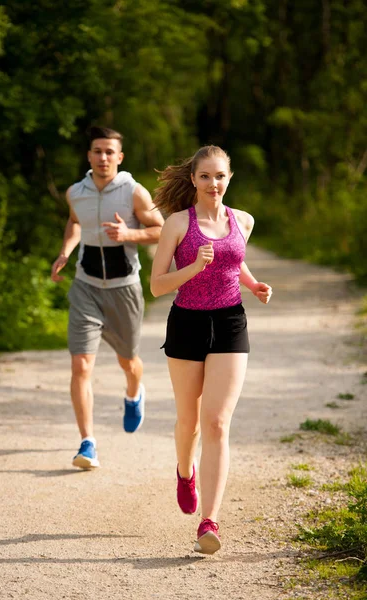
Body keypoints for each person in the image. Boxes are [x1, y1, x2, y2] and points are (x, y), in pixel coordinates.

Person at [150, 145, 272, 554]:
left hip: (230, 323)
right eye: (205, 176)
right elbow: (157, 285)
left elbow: (233, 261)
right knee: (190, 421)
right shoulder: (176, 224)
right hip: (186, 323)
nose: (213, 183)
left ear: (229, 178)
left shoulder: (243, 221)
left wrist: (253, 284)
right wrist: (193, 268)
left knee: (217, 422)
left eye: (220, 176)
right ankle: (186, 472)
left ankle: (210, 521)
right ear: (193, 180)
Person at [51, 126, 164, 469]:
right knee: (81, 364)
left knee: (128, 361)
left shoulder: (133, 192)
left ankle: (134, 393)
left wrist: (127, 233)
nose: (103, 158)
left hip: (123, 289)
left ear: (120, 157)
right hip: (85, 287)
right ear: (89, 156)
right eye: (97, 151)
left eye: (109, 152)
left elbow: (161, 228)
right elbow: (74, 222)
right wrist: (66, 251)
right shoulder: (76, 192)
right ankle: (87, 443)